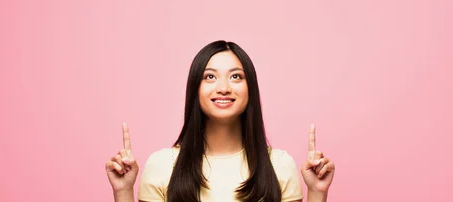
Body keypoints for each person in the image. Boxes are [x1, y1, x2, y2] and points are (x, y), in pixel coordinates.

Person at [105, 40, 335, 202]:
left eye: (236, 76)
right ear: (195, 88)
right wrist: (123, 192)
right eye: (210, 77)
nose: (223, 88)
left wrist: (316, 192)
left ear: (250, 88)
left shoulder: (279, 165)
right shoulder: (162, 165)